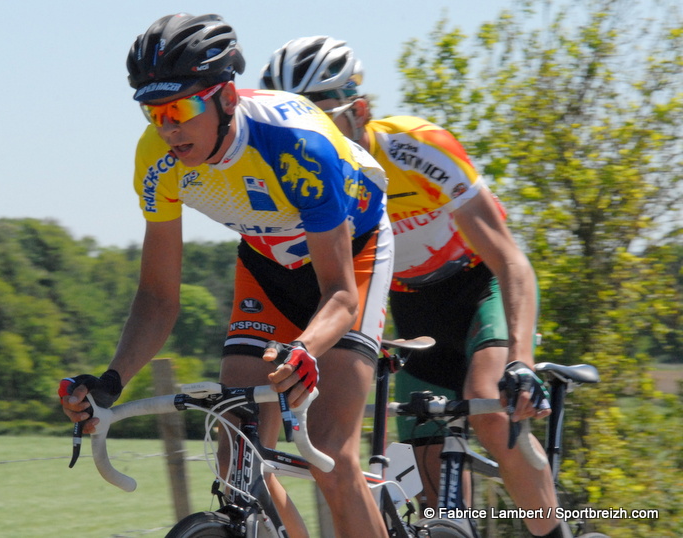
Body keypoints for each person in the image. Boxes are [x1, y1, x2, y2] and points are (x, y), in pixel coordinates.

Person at [59, 14, 396, 538]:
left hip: (352, 254)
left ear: (227, 98)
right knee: (234, 448)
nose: (168, 128)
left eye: (181, 108)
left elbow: (339, 296)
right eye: (153, 112)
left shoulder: (297, 145)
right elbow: (157, 297)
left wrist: (305, 348)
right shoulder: (156, 160)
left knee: (330, 451)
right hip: (267, 262)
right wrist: (110, 381)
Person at [260, 36, 572, 538]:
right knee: (428, 485)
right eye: (294, 122)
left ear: (359, 111)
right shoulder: (299, 177)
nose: (306, 136)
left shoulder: (417, 147)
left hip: (475, 291)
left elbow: (511, 261)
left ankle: (553, 531)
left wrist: (522, 359)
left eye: (320, 119)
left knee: (491, 413)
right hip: (406, 312)